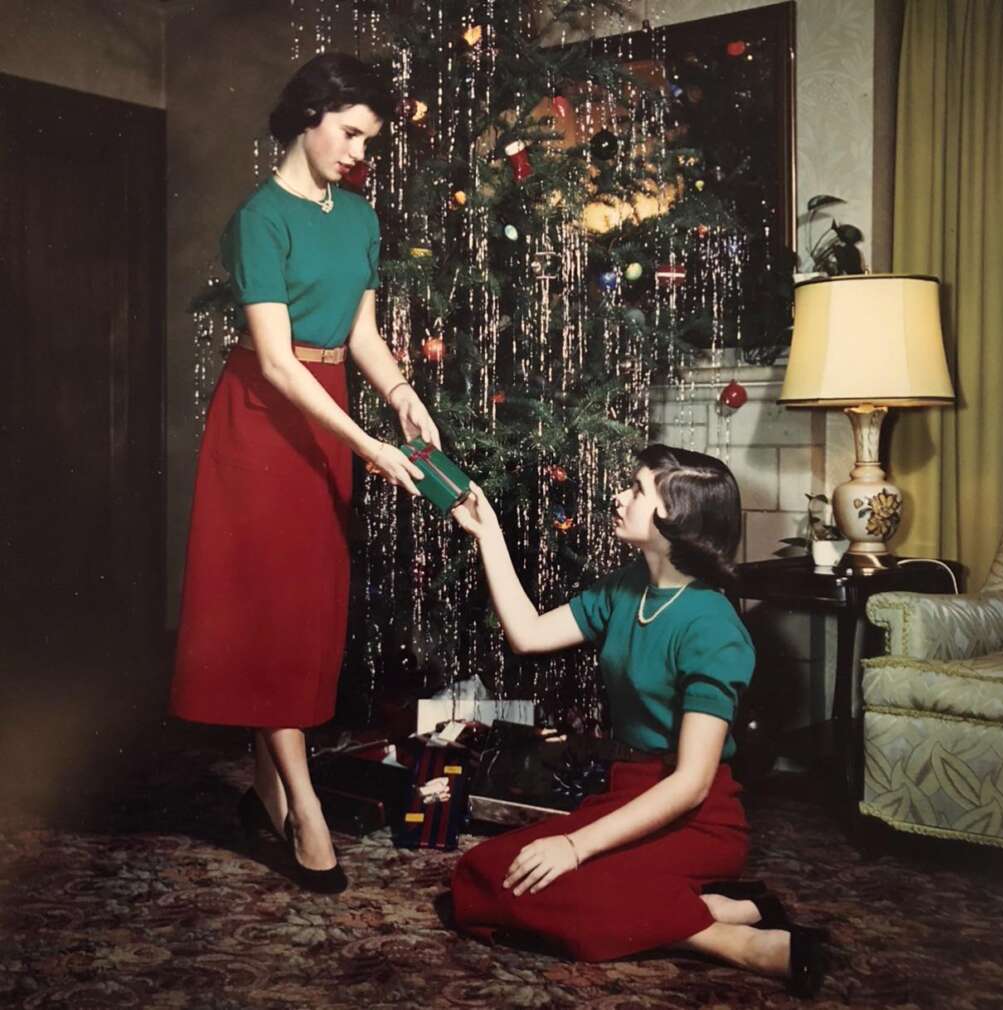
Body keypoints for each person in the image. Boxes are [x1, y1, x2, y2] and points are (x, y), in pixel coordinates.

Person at [169, 53, 439, 894]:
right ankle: (306, 811)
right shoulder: (259, 219)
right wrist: (367, 443)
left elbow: (358, 334)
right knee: (266, 603)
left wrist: (400, 395)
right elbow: (279, 364)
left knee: (303, 603)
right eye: (350, 133)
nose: (360, 152)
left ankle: (262, 789)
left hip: (330, 407)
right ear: (310, 117)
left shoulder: (358, 217)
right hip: (263, 415)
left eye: (370, 140)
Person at [449, 445, 826, 996]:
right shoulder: (628, 588)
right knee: (482, 875)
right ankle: (714, 914)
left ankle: (738, 943)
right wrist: (490, 536)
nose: (618, 497)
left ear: (673, 517)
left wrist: (576, 847)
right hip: (623, 797)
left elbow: (692, 784)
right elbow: (527, 633)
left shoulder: (712, 626)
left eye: (637, 489)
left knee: (573, 887)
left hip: (695, 817)